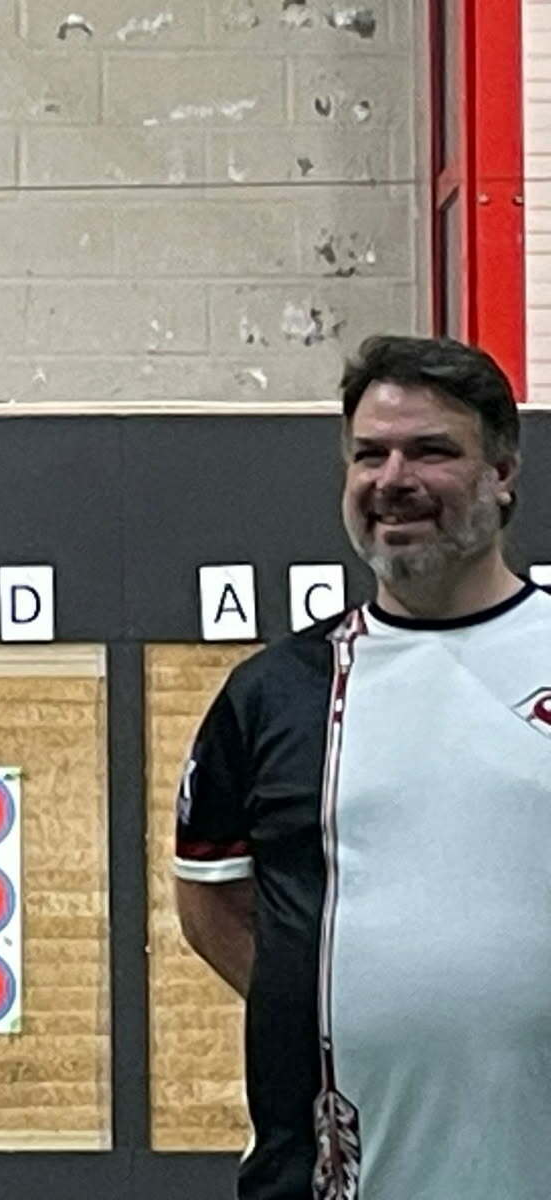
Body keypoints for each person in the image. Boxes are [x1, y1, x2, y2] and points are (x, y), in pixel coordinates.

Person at [175, 334, 551, 1200]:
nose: (394, 479)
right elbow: (212, 903)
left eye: (431, 451)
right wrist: (335, 1011)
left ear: (502, 473)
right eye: (370, 454)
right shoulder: (274, 694)